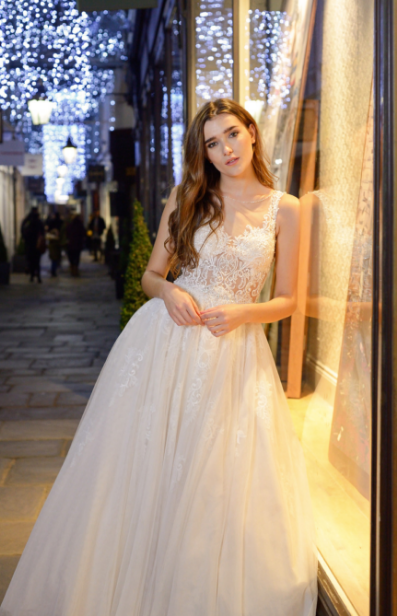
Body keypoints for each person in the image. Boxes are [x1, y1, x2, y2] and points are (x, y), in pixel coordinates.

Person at [0, 99, 318, 616]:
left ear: (253, 134)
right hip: (165, 345)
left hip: (234, 354)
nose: (225, 150)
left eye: (232, 135)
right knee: (146, 465)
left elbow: (290, 300)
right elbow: (151, 275)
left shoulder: (286, 208)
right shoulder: (187, 197)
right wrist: (168, 293)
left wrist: (243, 314)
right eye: (212, 143)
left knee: (217, 476)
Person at [21, 206, 45, 283]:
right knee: (37, 261)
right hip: (37, 244)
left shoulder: (27, 221)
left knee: (31, 260)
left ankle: (32, 275)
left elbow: (22, 230)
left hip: (29, 244)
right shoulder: (38, 221)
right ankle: (38, 276)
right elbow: (42, 232)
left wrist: (25, 239)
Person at [66, 212, 86, 277]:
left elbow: (67, 234)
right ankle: (75, 270)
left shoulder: (70, 225)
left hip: (71, 245)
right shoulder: (80, 225)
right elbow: (83, 234)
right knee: (76, 258)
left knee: (72, 258)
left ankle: (73, 269)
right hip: (78, 245)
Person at [46, 211, 63, 277]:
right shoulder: (60, 222)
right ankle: (55, 268)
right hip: (58, 242)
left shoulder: (51, 222)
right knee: (56, 256)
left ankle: (54, 269)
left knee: (53, 257)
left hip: (52, 242)